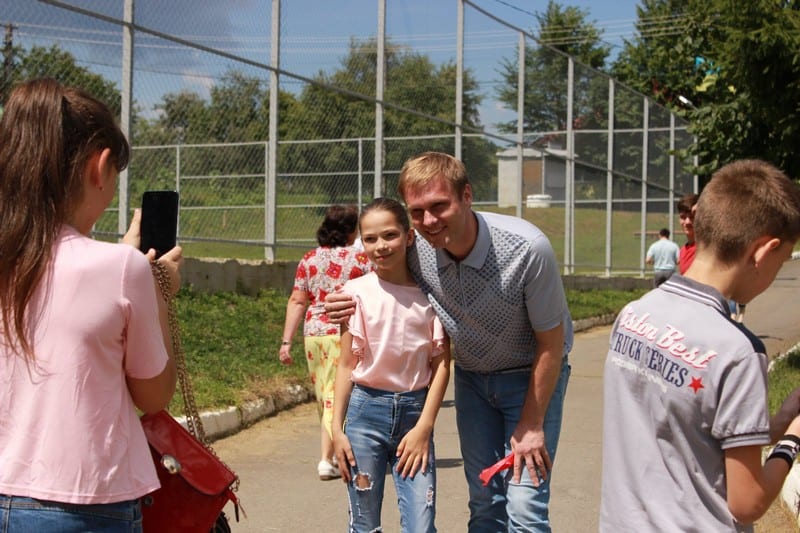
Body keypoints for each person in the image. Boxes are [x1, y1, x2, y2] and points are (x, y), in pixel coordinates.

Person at [327, 152, 573, 532]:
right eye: (418, 211)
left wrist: (531, 423)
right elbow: (380, 261)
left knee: (524, 507)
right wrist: (342, 297)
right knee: (486, 500)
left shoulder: (526, 248)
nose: (429, 221)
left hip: (530, 378)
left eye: (439, 206)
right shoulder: (418, 244)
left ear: (468, 196)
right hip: (474, 380)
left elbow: (551, 344)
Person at [0, 78, 182, 530]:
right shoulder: (122, 269)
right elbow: (154, 396)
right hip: (85, 504)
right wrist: (157, 292)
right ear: (99, 167)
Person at [600, 159, 800, 531]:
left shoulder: (633, 315)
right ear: (763, 251)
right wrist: (792, 439)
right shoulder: (738, 351)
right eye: (783, 260)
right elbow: (747, 502)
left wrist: (783, 418)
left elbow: (692, 437)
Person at [331, 197, 451, 533]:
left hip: (414, 417)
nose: (380, 246)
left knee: (421, 525)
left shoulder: (432, 298)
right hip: (364, 416)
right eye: (370, 239)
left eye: (389, 236)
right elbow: (345, 365)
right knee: (364, 524)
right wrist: (335, 430)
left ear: (409, 236)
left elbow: (442, 365)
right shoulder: (354, 294)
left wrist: (425, 426)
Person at [278, 204, 371, 481]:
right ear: (353, 229)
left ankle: (327, 458)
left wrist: (286, 341)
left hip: (315, 334)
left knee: (326, 395)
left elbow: (297, 300)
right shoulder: (361, 261)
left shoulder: (308, 259)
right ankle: (335, 457)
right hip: (346, 331)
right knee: (342, 394)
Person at [677, 192, 699, 275]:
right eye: (683, 217)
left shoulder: (707, 249)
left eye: (692, 217)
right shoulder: (682, 251)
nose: (687, 222)